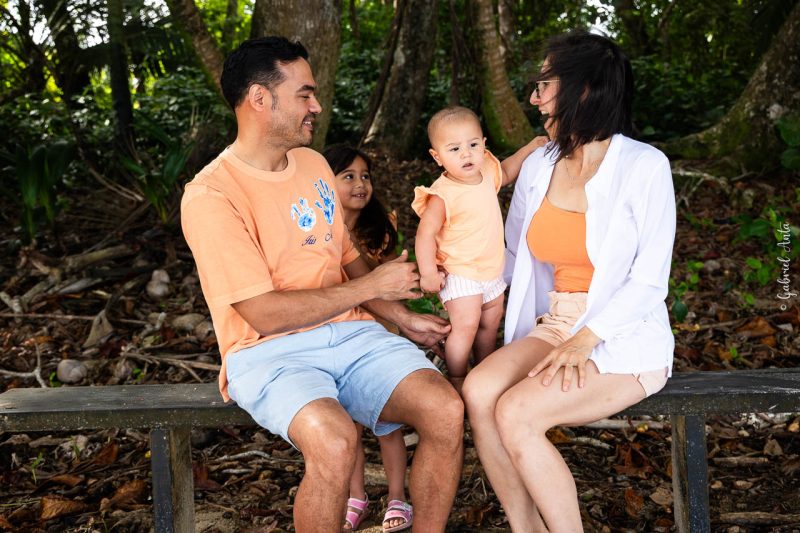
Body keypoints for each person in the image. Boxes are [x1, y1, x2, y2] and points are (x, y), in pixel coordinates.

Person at [180, 37, 464, 532]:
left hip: (353, 337)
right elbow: (264, 314)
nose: (317, 106)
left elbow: (346, 258)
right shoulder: (211, 195)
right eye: (304, 94)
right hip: (268, 351)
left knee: (444, 410)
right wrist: (371, 287)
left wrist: (402, 317)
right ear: (259, 98)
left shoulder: (312, 164)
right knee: (335, 442)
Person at [462, 31, 676, 531]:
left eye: (544, 85)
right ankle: (526, 527)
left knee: (516, 413)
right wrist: (463, 307)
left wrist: (585, 340)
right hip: (555, 322)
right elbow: (510, 257)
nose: (534, 98)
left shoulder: (644, 167)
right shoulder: (539, 163)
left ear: (583, 88)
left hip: (621, 336)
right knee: (478, 390)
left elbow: (648, 283)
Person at [412, 107, 547, 394]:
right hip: (461, 272)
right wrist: (427, 273)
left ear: (484, 144)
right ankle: (458, 377)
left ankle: (484, 371)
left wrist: (530, 148)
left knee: (490, 321)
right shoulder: (442, 193)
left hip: (490, 269)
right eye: (454, 149)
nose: (466, 154)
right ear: (437, 157)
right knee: (467, 325)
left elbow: (507, 171)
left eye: (473, 145)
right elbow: (425, 234)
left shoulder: (486, 170)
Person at [322, 145, 410, 532]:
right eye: (349, 176)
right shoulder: (316, 229)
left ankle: (397, 496)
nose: (360, 184)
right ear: (326, 181)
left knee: (387, 424)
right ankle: (355, 495)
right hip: (336, 337)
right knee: (348, 427)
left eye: (365, 176)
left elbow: (387, 284)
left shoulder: (380, 226)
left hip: (376, 335)